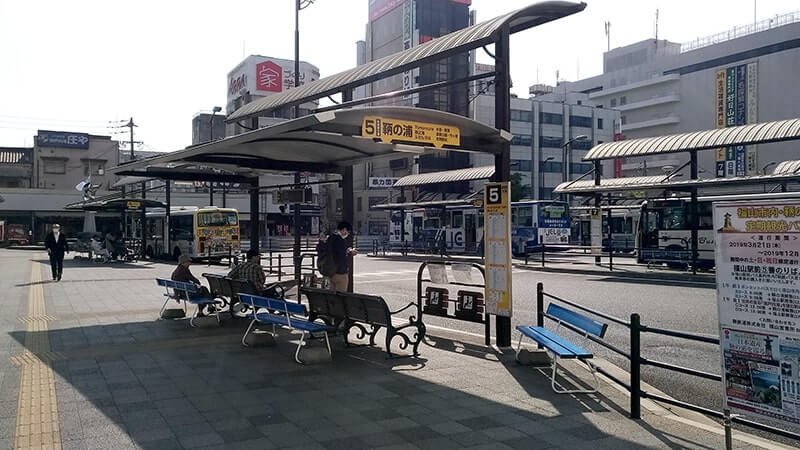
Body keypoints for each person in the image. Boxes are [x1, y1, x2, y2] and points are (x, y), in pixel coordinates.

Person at [326, 221, 357, 292]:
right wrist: (350, 252)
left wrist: (347, 250)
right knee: (340, 296)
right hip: (340, 273)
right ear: (344, 229)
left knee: (332, 295)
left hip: (330, 272)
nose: (348, 234)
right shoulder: (340, 240)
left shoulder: (330, 238)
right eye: (348, 231)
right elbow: (342, 256)